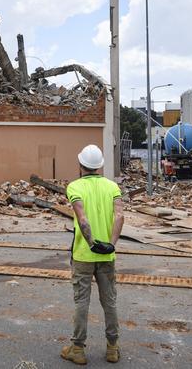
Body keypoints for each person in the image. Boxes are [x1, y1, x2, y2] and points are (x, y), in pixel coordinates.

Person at [60, 144, 125, 365]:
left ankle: (77, 349)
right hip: (107, 257)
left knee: (82, 302)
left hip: (83, 256)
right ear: (100, 166)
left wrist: (91, 243)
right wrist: (111, 245)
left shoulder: (74, 187)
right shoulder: (112, 187)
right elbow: (119, 216)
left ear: (80, 165)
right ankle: (112, 348)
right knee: (110, 302)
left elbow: (83, 219)